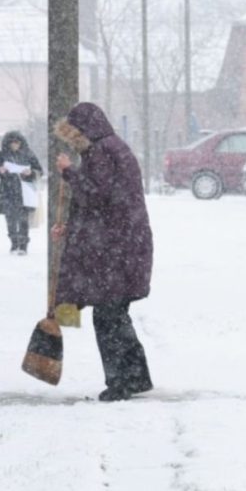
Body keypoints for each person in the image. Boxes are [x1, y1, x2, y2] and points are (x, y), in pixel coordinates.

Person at [52, 102, 154, 402]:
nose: (72, 140)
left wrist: (69, 173)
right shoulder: (112, 148)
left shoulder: (100, 152)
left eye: (74, 133)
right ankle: (136, 377)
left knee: (108, 317)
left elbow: (98, 196)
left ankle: (121, 383)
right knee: (115, 314)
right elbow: (103, 202)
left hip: (116, 249)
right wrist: (70, 226)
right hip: (125, 245)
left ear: (84, 129)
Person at [0, 131, 43, 255]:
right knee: (10, 219)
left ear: (21, 142)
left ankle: (23, 245)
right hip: (7, 192)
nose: (15, 145)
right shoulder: (2, 155)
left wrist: (31, 173)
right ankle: (14, 243)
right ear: (7, 144)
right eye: (12, 143)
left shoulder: (28, 154)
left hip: (24, 191)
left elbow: (40, 171)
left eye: (17, 142)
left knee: (24, 220)